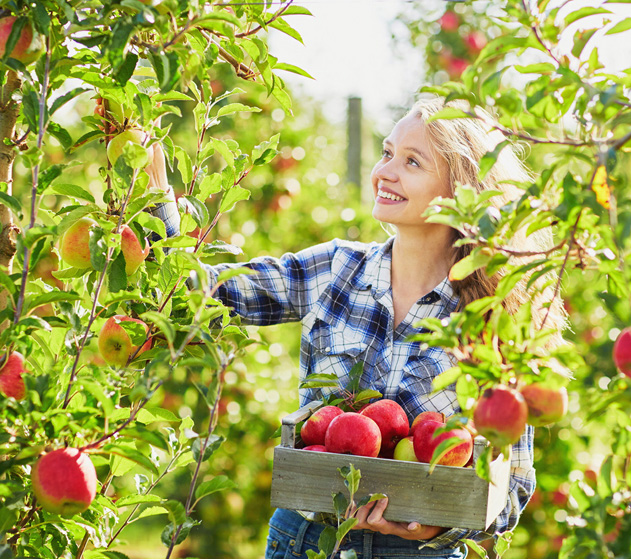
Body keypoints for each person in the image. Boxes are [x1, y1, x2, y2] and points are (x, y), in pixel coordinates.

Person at [147, 97, 566, 558]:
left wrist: (431, 530)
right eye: (387, 153)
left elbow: (512, 490)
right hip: (304, 542)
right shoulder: (336, 268)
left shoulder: (491, 318)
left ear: (462, 192)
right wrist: (155, 197)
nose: (385, 172)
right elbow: (207, 296)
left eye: (412, 162)